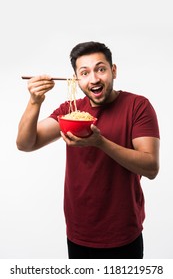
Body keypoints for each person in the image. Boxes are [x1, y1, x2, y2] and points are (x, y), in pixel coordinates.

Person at [16, 41, 160, 259]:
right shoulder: (70, 110)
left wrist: (100, 142)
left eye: (101, 69)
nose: (94, 79)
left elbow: (151, 167)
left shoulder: (138, 106)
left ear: (113, 71)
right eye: (84, 73)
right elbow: (26, 143)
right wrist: (35, 102)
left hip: (124, 232)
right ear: (76, 78)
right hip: (78, 232)